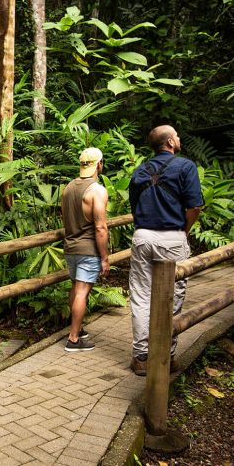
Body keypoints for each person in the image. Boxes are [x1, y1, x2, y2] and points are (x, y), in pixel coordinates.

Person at [128, 125, 204, 376]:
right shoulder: (185, 167)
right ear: (171, 142)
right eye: (177, 136)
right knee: (173, 295)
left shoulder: (140, 170)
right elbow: (195, 206)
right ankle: (166, 355)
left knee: (141, 295)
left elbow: (135, 206)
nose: (180, 139)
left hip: (143, 237)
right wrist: (185, 229)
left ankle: (142, 356)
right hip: (172, 238)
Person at [61, 147, 110, 352]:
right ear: (99, 165)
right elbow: (100, 226)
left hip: (70, 247)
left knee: (75, 288)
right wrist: (105, 258)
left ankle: (77, 329)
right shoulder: (97, 191)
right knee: (82, 292)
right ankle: (73, 339)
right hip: (88, 249)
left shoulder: (69, 188)